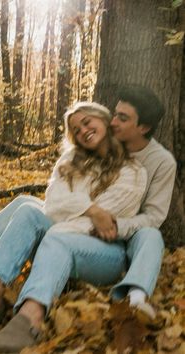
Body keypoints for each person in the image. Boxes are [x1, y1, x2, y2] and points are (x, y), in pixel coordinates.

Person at [0, 101, 147, 353]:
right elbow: (53, 202)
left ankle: (31, 317)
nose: (83, 131)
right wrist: (92, 209)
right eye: (76, 130)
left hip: (107, 253)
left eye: (87, 121)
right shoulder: (72, 160)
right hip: (63, 239)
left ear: (103, 118)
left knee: (54, 235)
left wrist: (70, 216)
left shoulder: (133, 170)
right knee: (27, 211)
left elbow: (109, 221)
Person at [103, 85, 176, 315]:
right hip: (88, 227)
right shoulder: (103, 146)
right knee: (23, 203)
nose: (113, 122)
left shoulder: (163, 162)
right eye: (115, 114)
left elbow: (154, 217)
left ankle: (136, 300)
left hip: (127, 240)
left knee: (152, 235)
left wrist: (118, 226)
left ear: (143, 127)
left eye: (122, 118)